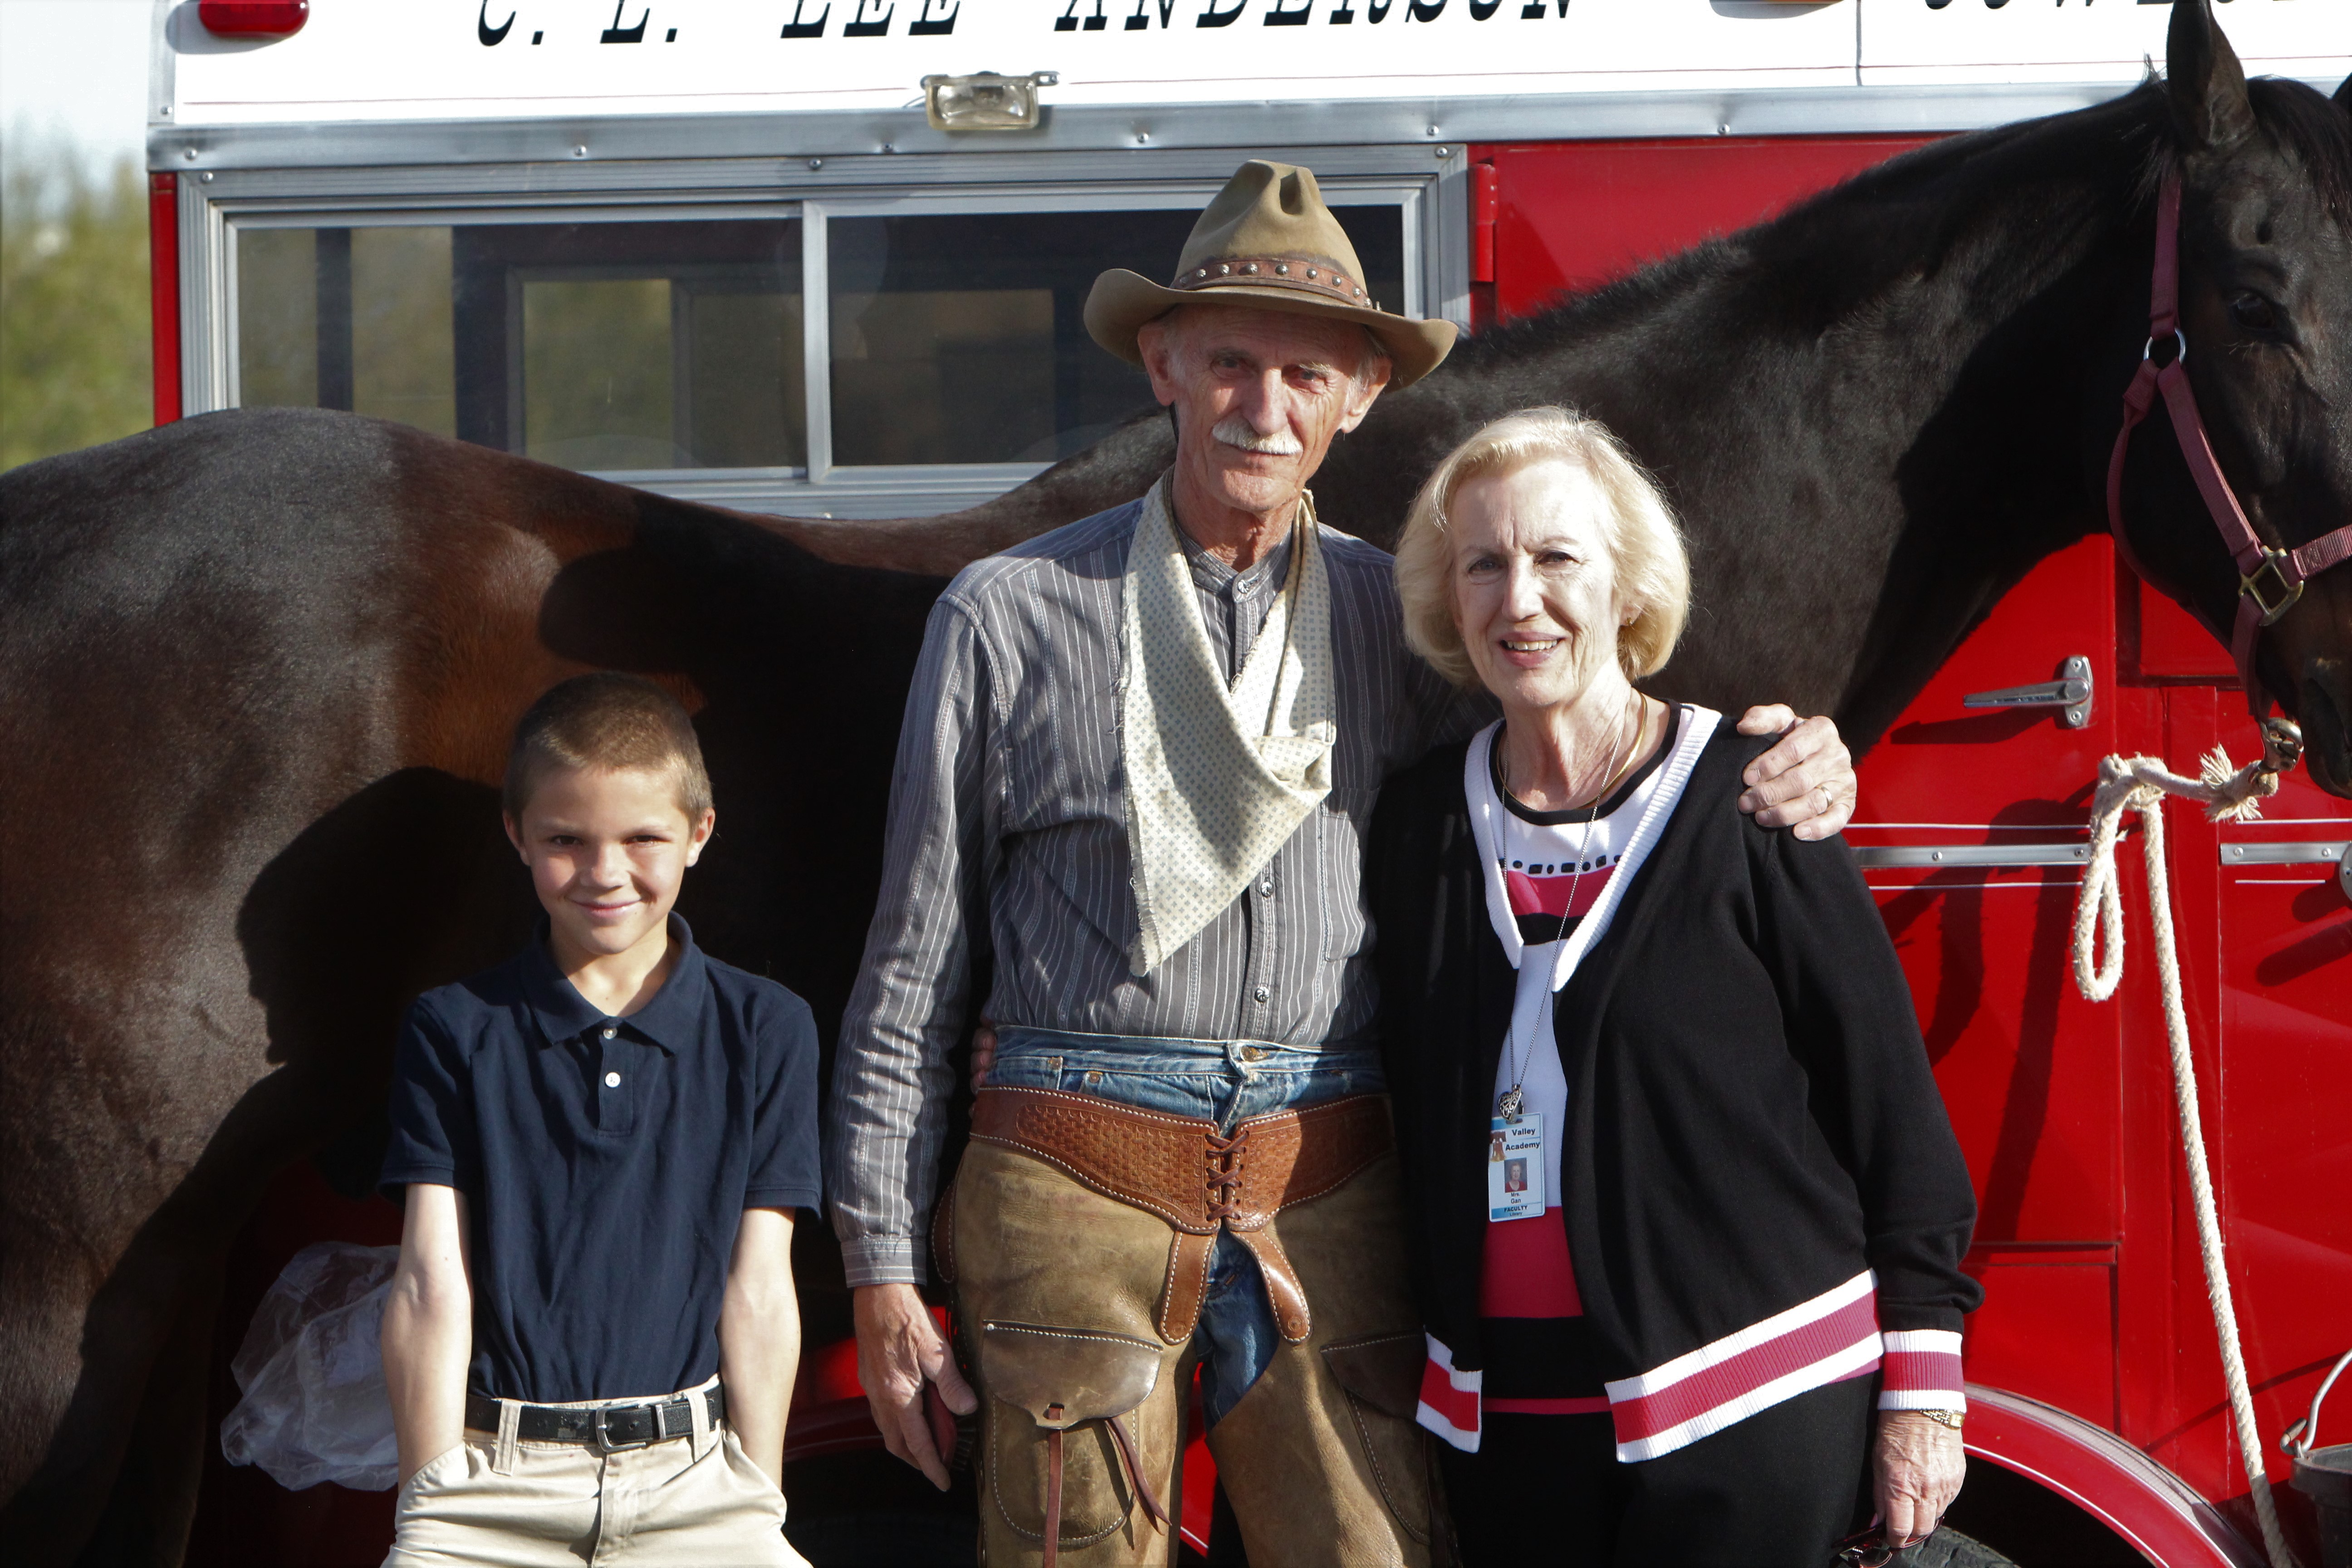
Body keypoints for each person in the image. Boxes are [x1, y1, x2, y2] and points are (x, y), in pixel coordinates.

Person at [828, 161, 1861, 1568]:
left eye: (1307, 374)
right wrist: (882, 1268)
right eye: (1232, 364)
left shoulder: (1412, 624)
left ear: (1361, 397)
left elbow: (1596, 743)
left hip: (1331, 1169)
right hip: (1070, 1158)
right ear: (1164, 366)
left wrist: (1786, 752)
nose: (1266, 407)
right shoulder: (1008, 619)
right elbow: (912, 975)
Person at [1369, 408, 1981, 1568]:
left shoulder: (1755, 795)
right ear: (1449, 601)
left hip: (1750, 1387)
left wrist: (1925, 1388)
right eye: (1483, 564)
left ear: (1627, 587)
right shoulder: (1415, 828)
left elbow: (1892, 1107)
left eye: (1557, 558)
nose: (1520, 599)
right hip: (1505, 1418)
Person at [377, 673, 819, 1568]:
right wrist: (429, 1498)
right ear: (518, 836)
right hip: (490, 1487)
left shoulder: (768, 1025)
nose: (606, 872)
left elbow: (762, 1284)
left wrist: (756, 1496)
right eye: (566, 841)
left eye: (643, 838)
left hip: (699, 1487)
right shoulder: (456, 1026)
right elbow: (430, 1278)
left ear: (699, 833)